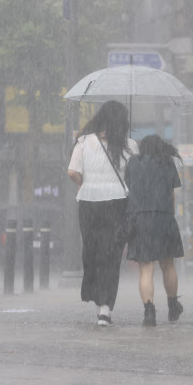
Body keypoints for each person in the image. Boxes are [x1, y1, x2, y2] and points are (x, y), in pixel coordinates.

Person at [67, 100, 138, 326]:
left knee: (92, 251)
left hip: (88, 203)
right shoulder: (130, 146)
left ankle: (99, 303)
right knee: (111, 256)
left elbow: (72, 172)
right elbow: (133, 177)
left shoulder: (84, 141)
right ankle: (105, 307)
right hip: (117, 204)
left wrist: (85, 183)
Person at [124, 134, 184, 327]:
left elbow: (129, 188)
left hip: (140, 219)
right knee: (168, 266)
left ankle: (149, 311)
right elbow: (173, 195)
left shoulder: (132, 163)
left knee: (146, 269)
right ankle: (173, 305)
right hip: (164, 217)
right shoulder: (168, 163)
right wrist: (168, 216)